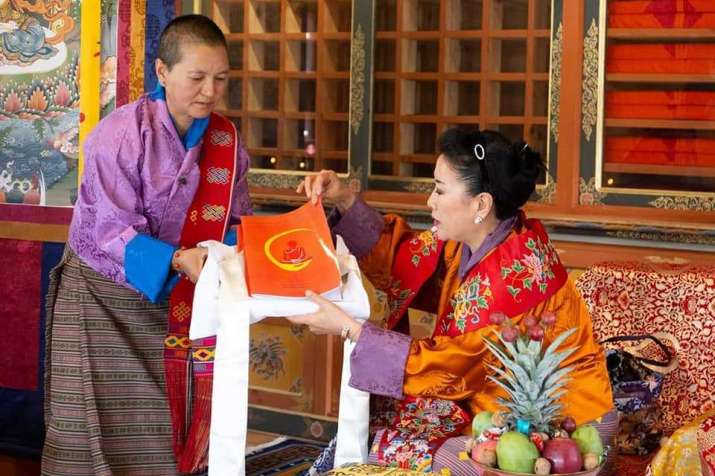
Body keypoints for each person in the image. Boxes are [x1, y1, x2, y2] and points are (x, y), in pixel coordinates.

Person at [291, 127, 617, 474]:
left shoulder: (511, 273)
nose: (430, 201)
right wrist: (345, 198)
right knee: (383, 431)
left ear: (481, 204)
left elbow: (450, 365)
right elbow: (405, 260)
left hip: (564, 422)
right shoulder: (480, 235)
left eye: (439, 189)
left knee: (411, 449)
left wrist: (350, 329)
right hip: (491, 399)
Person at [42, 15, 252, 476]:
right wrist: (178, 258)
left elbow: (234, 222)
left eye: (220, 78)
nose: (209, 91)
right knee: (88, 426)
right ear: (162, 72)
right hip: (100, 296)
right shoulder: (119, 135)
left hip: (171, 301)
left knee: (163, 427)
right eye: (197, 77)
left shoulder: (226, 142)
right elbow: (110, 231)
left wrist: (236, 253)